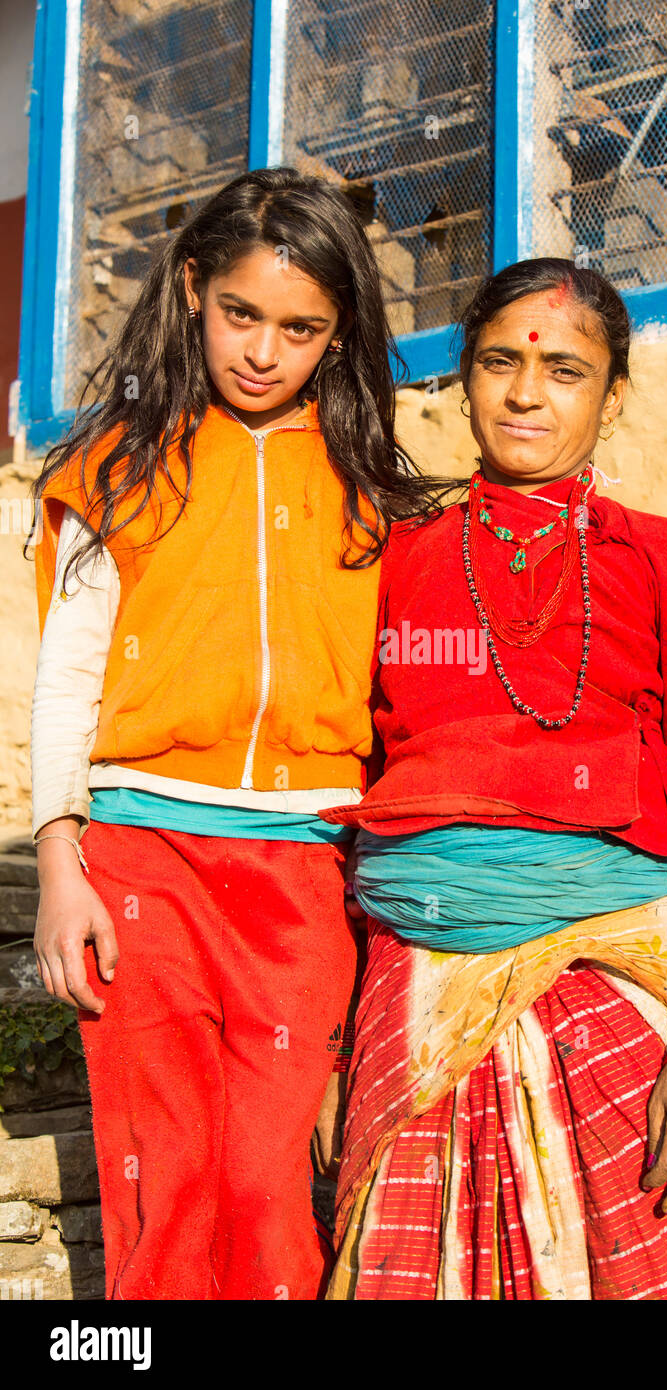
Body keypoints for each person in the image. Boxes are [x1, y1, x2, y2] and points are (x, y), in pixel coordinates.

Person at [27, 167, 445, 1300]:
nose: (263, 350)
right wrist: (61, 870)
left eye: (300, 328)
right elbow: (67, 680)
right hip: (139, 859)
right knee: (165, 1177)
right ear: (194, 292)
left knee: (267, 1183)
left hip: (303, 870)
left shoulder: (373, 490)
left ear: (339, 334)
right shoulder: (112, 466)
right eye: (241, 315)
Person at [323, 259, 667, 1300]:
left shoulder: (664, 560)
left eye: (563, 369)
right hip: (415, 984)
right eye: (497, 363)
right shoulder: (392, 557)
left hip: (606, 987)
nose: (524, 394)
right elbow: (339, 797)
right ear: (462, 379)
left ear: (611, 394)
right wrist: (331, 1050)